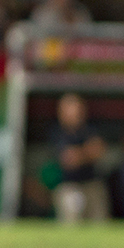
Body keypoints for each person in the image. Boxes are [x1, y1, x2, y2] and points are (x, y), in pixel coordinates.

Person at [52, 93, 109, 223]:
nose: (75, 113)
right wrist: (88, 152)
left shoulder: (90, 128)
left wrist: (81, 154)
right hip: (69, 186)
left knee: (100, 225)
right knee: (71, 226)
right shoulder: (57, 132)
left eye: (78, 108)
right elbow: (70, 160)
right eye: (70, 108)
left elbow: (100, 151)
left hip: (91, 183)